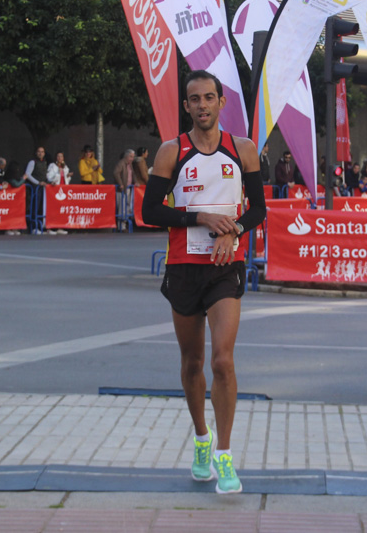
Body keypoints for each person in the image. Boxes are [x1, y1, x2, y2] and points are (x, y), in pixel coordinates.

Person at [141, 70, 266, 495]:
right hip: (183, 268)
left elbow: (259, 210)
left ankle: (225, 455)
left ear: (221, 102)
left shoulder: (243, 150)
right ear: (186, 106)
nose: (203, 106)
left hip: (225, 268)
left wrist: (233, 231)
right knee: (193, 363)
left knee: (223, 361)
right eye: (195, 99)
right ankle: (201, 438)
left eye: (209, 98)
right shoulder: (171, 151)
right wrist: (199, 218)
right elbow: (150, 212)